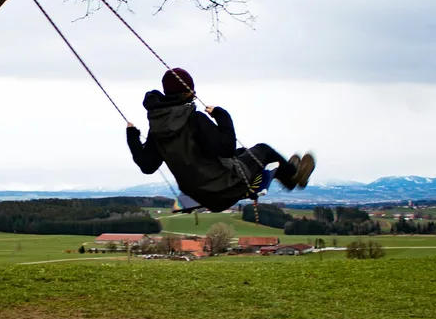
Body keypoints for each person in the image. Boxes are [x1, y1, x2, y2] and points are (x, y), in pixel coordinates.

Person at [126, 68, 315, 213]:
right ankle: (294, 176)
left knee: (243, 154)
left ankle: (288, 176)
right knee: (263, 150)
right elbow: (226, 147)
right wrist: (221, 115)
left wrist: (133, 137)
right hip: (224, 188)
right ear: (188, 91)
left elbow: (147, 165)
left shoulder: (157, 129)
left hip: (197, 195)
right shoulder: (194, 119)